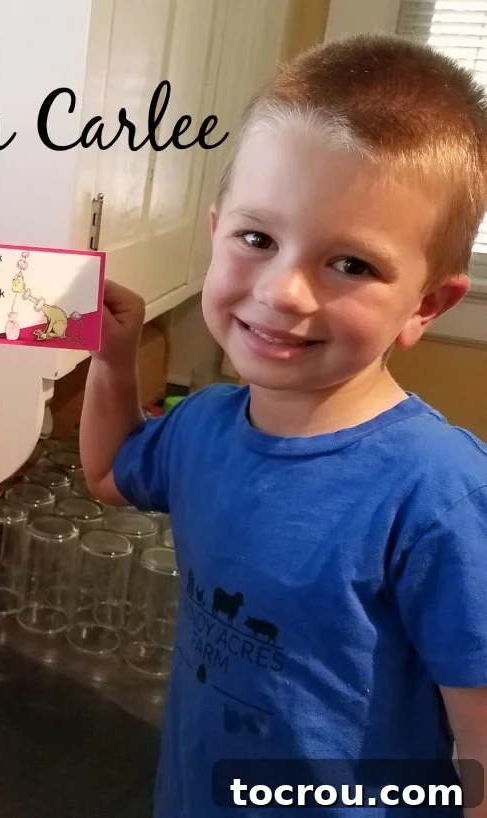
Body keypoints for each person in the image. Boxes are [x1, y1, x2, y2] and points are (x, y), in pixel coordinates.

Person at [80, 32, 487, 817]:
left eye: (351, 265)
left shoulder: (442, 495)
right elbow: (107, 475)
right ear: (216, 231)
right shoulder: (202, 426)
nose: (284, 292)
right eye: (258, 239)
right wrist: (112, 360)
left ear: (427, 305)